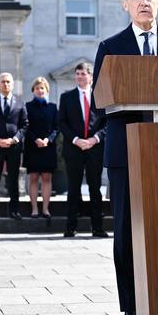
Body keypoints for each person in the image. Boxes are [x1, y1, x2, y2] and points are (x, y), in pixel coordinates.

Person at [91, 0, 158, 315]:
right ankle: (132, 307)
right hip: (125, 153)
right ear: (125, 4)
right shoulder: (110, 46)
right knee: (127, 231)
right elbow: (99, 101)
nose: (144, 2)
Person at [58, 62, 108, 238]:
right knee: (73, 188)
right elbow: (61, 122)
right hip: (74, 149)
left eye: (82, 74)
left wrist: (94, 139)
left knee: (95, 188)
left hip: (95, 148)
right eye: (77, 74)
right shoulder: (67, 97)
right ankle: (70, 227)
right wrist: (76, 140)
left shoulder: (100, 96)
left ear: (90, 77)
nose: (79, 76)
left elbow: (106, 122)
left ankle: (98, 227)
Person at [0, 72, 29, 220]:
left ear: (12, 85)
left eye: (8, 82)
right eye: (3, 82)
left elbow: (25, 125)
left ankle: (14, 210)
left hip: (14, 147)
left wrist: (14, 139)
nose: (6, 84)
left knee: (13, 179)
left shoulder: (20, 103)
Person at [23, 77, 57, 218]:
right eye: (37, 88)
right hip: (33, 146)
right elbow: (26, 126)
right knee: (34, 177)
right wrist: (36, 139)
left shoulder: (53, 107)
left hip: (48, 147)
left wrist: (48, 140)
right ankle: (34, 209)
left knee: (47, 177)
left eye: (42, 88)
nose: (40, 90)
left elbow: (57, 128)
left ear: (46, 90)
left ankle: (45, 209)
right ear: (33, 91)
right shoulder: (27, 106)